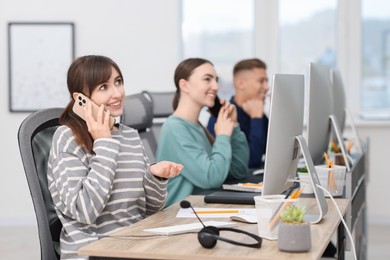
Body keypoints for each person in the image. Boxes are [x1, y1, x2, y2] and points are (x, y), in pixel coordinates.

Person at [47, 55, 183, 259]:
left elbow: (150, 209)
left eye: (118, 82)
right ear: (80, 99)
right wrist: (104, 142)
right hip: (94, 250)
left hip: (135, 244)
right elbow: (85, 211)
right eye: (103, 87)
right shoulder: (67, 138)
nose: (117, 93)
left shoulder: (129, 135)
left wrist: (155, 177)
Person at [156, 58, 249, 207]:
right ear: (184, 85)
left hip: (204, 206)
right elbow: (212, 178)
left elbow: (238, 171)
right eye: (207, 79)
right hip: (180, 214)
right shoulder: (175, 129)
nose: (216, 86)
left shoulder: (198, 127)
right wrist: (223, 136)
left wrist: (234, 126)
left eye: (216, 80)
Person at [207, 58, 269, 168]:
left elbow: (273, 151)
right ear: (240, 84)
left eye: (266, 81)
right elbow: (251, 161)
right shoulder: (223, 115)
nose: (266, 87)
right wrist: (256, 118)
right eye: (261, 81)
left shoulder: (258, 113)